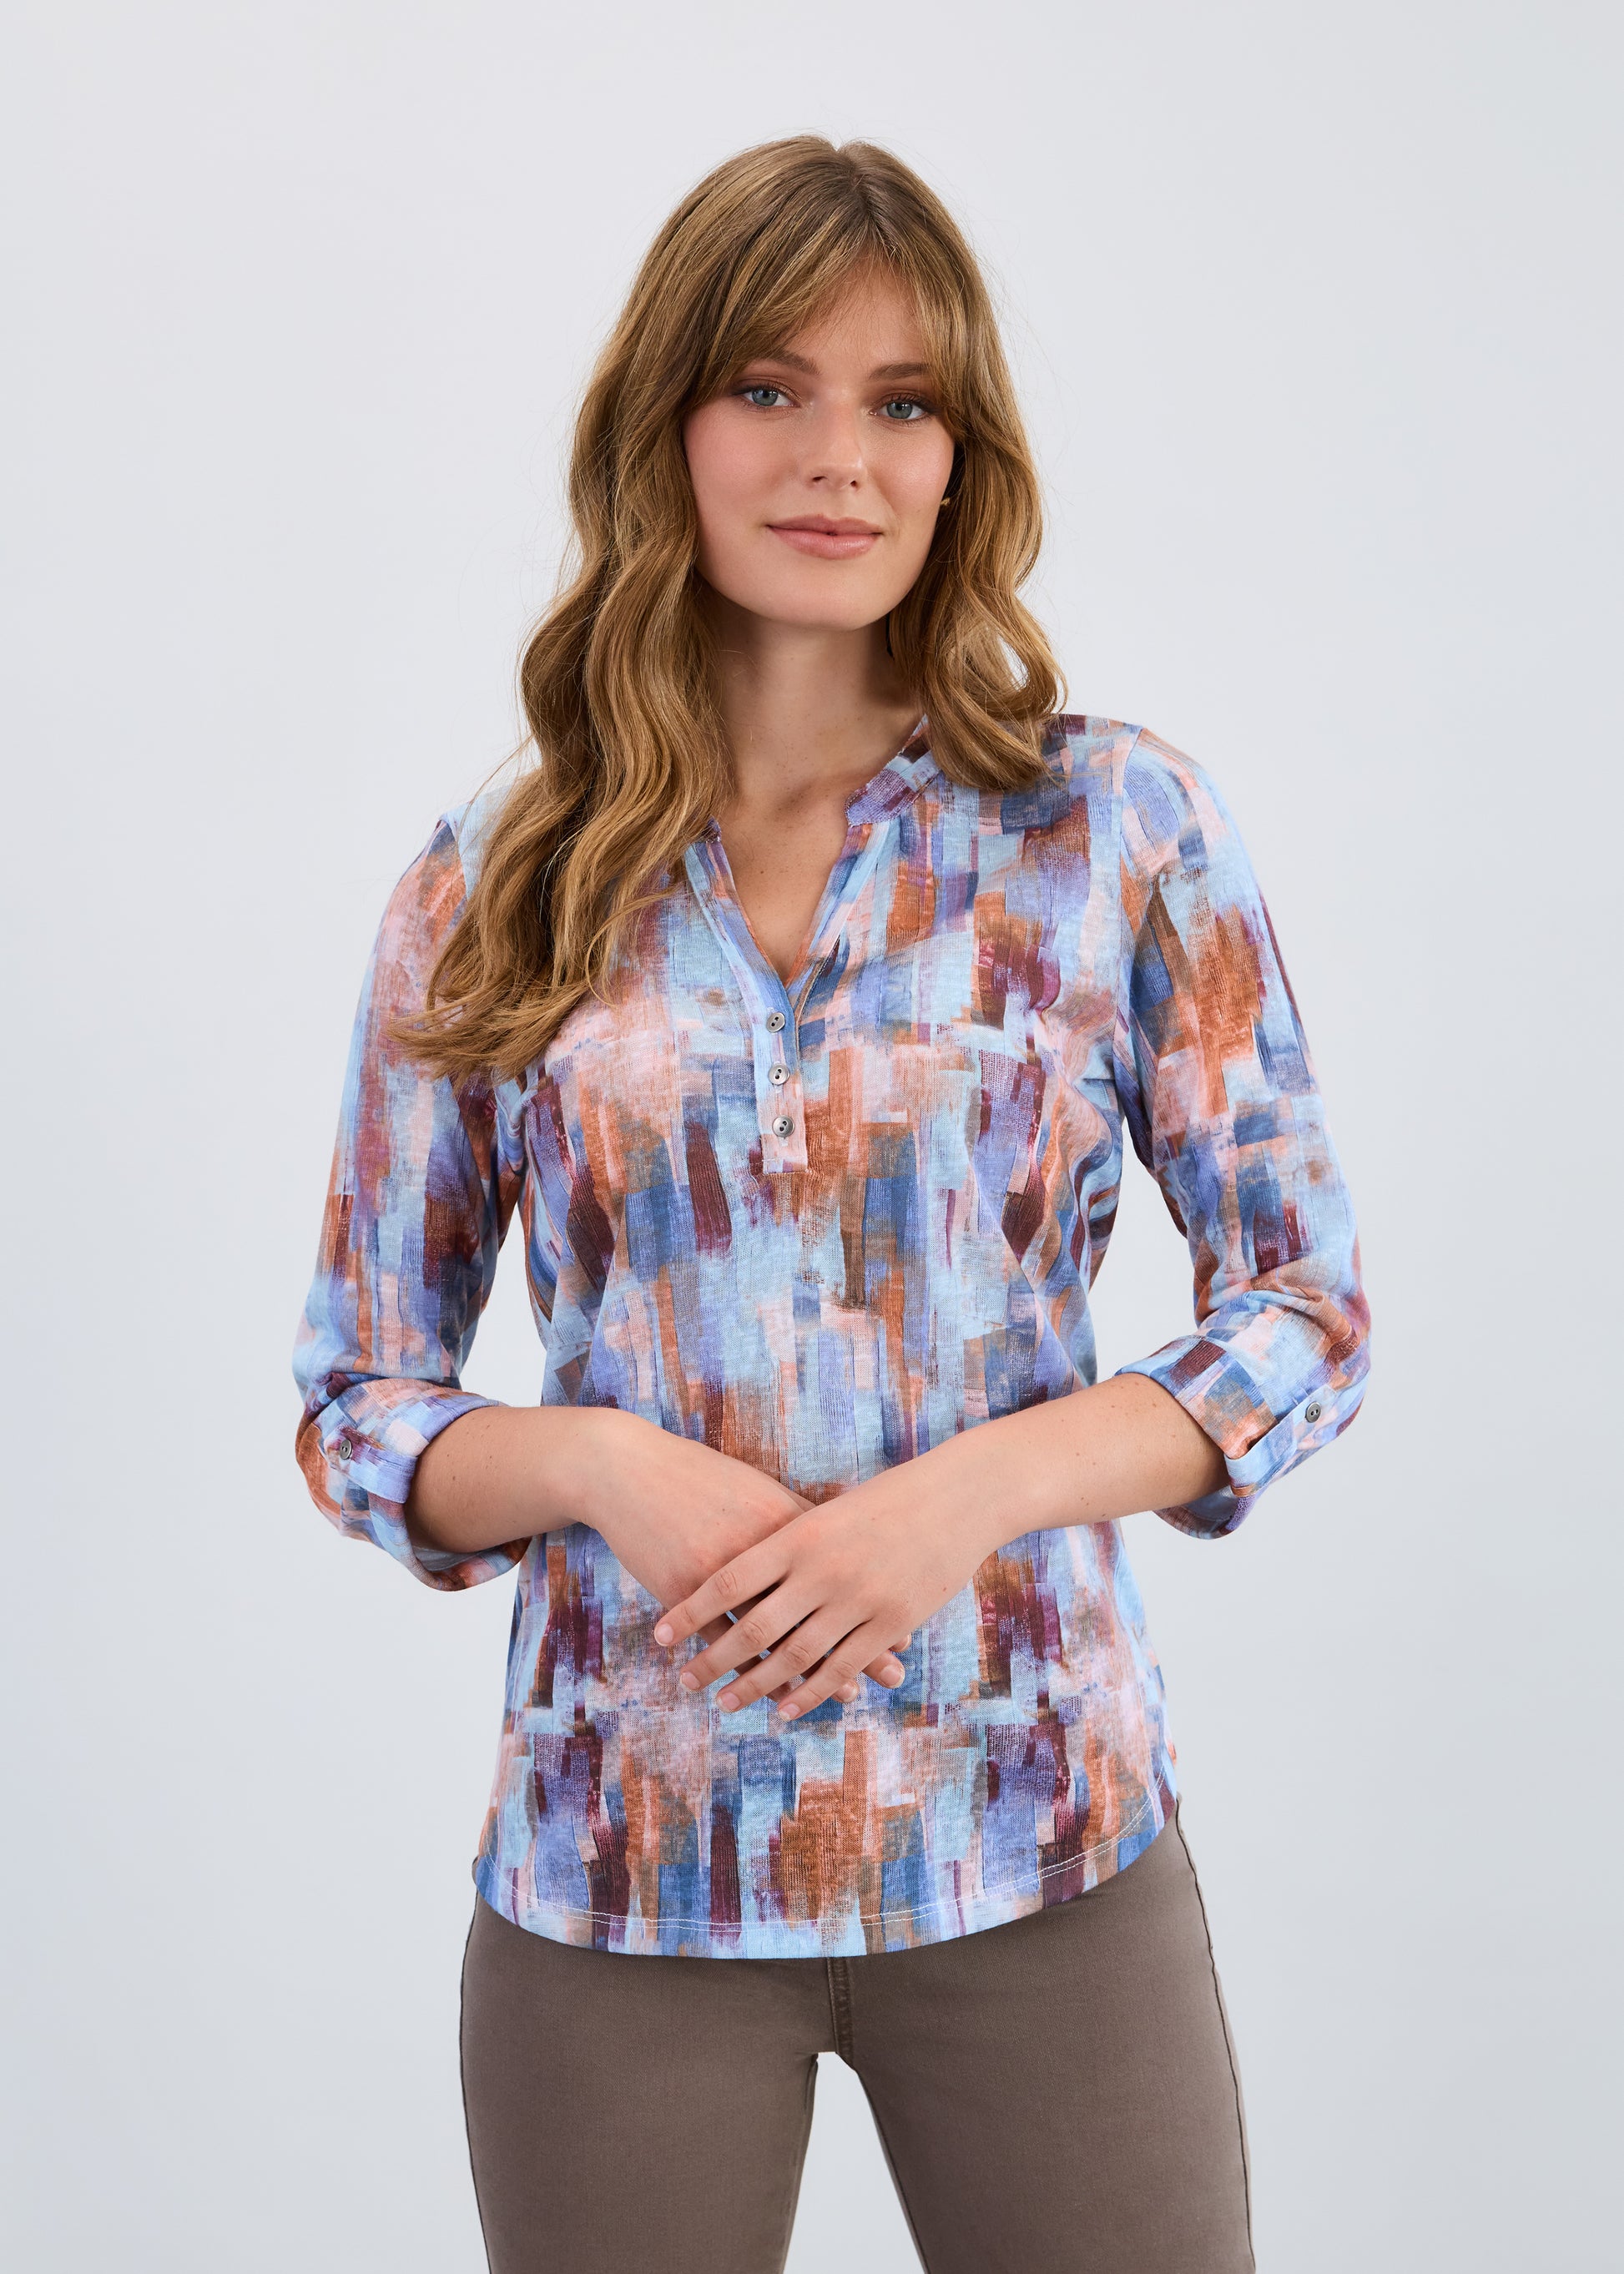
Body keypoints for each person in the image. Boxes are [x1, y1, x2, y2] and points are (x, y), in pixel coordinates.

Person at [293, 135, 1369, 2274]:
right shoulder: (499, 875)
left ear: (962, 459)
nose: (839, 459)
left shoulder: (1114, 829)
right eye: (770, 388)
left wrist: (957, 1501)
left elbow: (1300, 1315)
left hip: (1038, 1831)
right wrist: (594, 1462)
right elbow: (357, 1401)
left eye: (903, 403)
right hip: (625, 1861)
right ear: (666, 427)